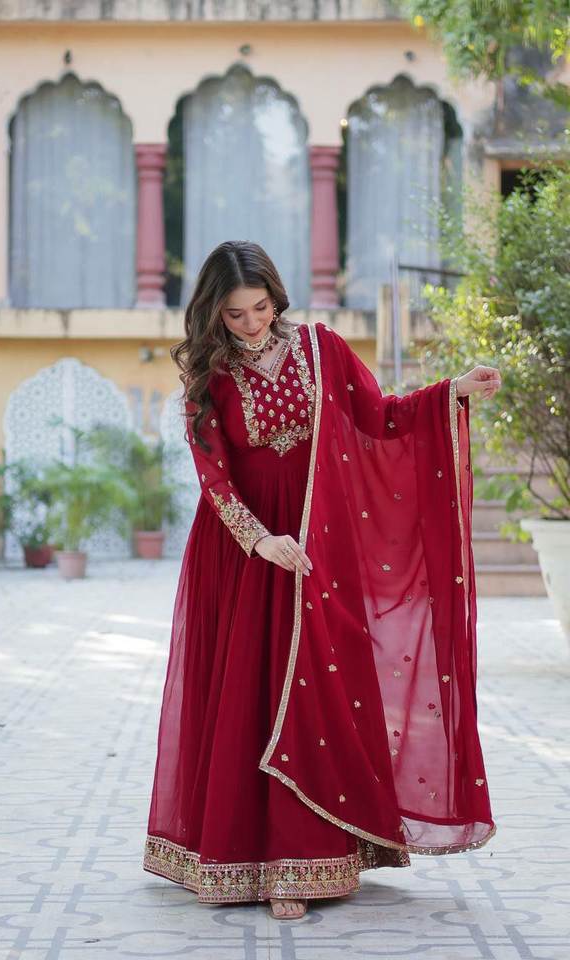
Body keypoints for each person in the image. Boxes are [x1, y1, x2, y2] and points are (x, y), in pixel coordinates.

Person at [143, 240, 500, 920]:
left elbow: (380, 416)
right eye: (235, 315)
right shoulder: (211, 375)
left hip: (318, 551)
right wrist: (260, 540)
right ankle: (250, 860)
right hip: (245, 553)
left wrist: (450, 391)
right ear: (213, 315)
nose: (251, 324)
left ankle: (310, 857)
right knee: (251, 693)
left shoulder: (322, 349)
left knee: (320, 695)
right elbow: (213, 476)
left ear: (276, 297)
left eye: (260, 308)